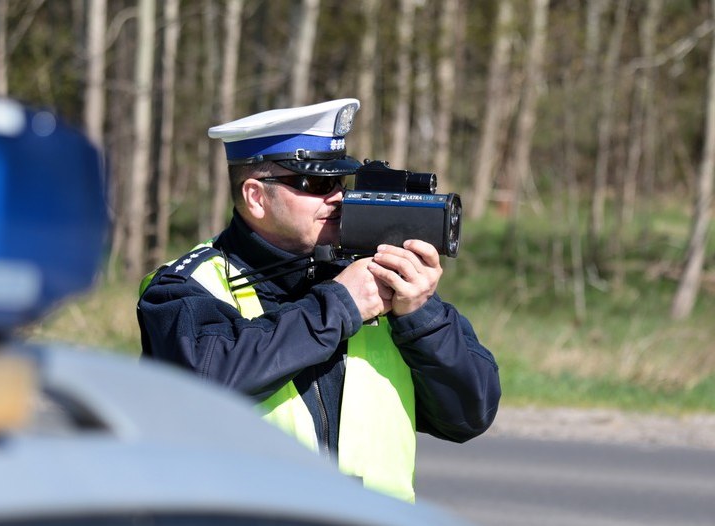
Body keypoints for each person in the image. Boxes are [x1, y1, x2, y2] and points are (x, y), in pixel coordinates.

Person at [137, 98, 500, 503]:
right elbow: (208, 379)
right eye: (315, 184)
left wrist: (421, 315)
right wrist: (340, 305)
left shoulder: (371, 276)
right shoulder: (184, 287)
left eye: (340, 183)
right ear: (256, 196)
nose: (337, 198)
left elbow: (470, 415)